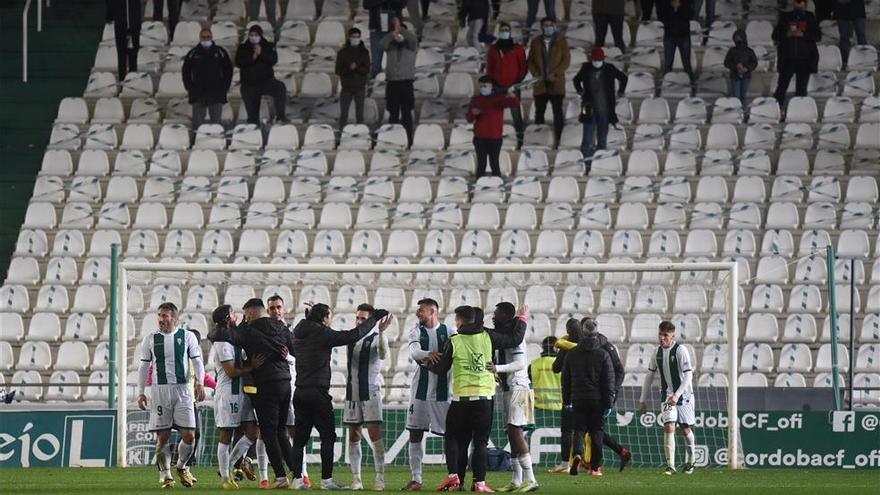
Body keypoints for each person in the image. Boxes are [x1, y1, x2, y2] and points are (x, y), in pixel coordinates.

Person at [423, 305, 528, 493]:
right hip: (484, 398)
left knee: (456, 440)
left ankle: (456, 478)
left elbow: (441, 369)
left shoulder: (454, 340)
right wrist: (522, 318)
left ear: (460, 320)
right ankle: (479, 483)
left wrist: (424, 363)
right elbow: (515, 339)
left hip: (460, 399)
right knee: (480, 442)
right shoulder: (489, 336)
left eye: (456, 319)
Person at [289, 303, 389, 490]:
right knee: (328, 436)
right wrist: (374, 318)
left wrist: (311, 317)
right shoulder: (322, 333)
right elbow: (353, 335)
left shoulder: (299, 330)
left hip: (300, 391)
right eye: (329, 316)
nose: (330, 319)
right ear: (324, 318)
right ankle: (327, 481)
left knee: (300, 438)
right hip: (317, 392)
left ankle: (296, 480)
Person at [216, 298, 297, 488]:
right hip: (285, 382)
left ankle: (280, 477)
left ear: (251, 313)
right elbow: (295, 349)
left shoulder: (247, 331)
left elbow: (218, 334)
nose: (243, 318)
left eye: (245, 314)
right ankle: (296, 473)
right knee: (280, 432)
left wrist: (251, 365)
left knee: (268, 433)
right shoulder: (280, 327)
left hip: (265, 386)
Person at [137, 302, 205, 489]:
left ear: (174, 318)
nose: (161, 319)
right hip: (160, 391)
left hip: (183, 390)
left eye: (165, 316)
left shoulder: (187, 336)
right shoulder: (150, 339)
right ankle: (165, 474)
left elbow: (198, 362)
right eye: (159, 315)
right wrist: (141, 392)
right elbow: (144, 367)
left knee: (189, 435)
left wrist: (199, 382)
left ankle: (181, 467)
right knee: (163, 437)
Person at [400, 298, 453, 491]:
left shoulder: (449, 331)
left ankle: (454, 477)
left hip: (443, 393)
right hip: (419, 393)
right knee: (415, 433)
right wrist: (427, 354)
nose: (417, 313)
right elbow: (414, 352)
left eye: (421, 310)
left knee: (451, 436)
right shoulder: (415, 331)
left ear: (433, 312)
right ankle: (416, 479)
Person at [209, 305, 263, 490]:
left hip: (242, 391)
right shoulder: (222, 341)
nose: (236, 315)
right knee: (226, 434)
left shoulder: (232, 336)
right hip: (228, 393)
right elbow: (231, 371)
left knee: (252, 431)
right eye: (232, 313)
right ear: (226, 318)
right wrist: (253, 366)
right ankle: (225, 477)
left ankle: (230, 466)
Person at [492, 302, 539, 493]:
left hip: (518, 387)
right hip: (508, 388)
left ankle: (531, 479)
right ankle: (516, 480)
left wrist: (498, 368)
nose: (493, 316)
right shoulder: (504, 337)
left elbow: (520, 363)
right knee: (511, 433)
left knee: (515, 431)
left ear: (505, 315)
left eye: (496, 313)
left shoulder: (516, 339)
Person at [638, 321, 697, 475]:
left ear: (673, 336)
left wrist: (677, 395)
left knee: (685, 429)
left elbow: (688, 375)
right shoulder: (656, 352)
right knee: (669, 426)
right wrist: (643, 400)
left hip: (684, 395)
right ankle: (670, 465)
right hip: (667, 395)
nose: (662, 338)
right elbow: (649, 376)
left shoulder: (680, 350)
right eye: (660, 334)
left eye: (665, 335)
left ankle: (691, 460)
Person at [345, 304, 393, 491]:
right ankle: (356, 479)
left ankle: (380, 478)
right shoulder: (350, 337)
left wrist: (381, 333)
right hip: (352, 392)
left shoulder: (376, 338)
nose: (359, 321)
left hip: (371, 392)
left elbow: (382, 354)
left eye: (363, 319)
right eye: (358, 318)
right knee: (353, 435)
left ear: (371, 321)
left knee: (374, 435)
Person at [267, 295, 312, 489]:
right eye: (272, 308)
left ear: (284, 309)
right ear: (268, 311)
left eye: (279, 307)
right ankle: (267, 475)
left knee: (295, 432)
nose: (276, 311)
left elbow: (303, 356)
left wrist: (290, 359)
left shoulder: (292, 331)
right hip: (273, 387)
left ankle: (303, 474)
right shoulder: (265, 331)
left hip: (293, 387)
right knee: (270, 432)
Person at [562, 318, 615, 477]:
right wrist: (609, 403)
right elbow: (608, 380)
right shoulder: (603, 354)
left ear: (582, 332)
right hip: (597, 400)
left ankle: (577, 454)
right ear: (596, 333)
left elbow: (565, 379)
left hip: (578, 398)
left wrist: (567, 400)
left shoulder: (572, 354)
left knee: (579, 430)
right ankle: (595, 467)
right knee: (596, 432)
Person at [573, 47, 628, 160]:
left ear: (603, 59)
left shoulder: (610, 68)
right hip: (588, 108)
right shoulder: (586, 68)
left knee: (602, 140)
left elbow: (624, 78)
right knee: (586, 140)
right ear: (591, 59)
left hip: (606, 109)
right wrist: (580, 91)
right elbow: (576, 80)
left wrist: (621, 91)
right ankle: (586, 163)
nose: (597, 62)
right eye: (595, 59)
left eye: (599, 60)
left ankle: (599, 161)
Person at [527, 17, 571, 145]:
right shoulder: (535, 42)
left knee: (557, 113)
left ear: (554, 26)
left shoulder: (561, 41)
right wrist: (536, 73)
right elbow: (530, 61)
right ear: (542, 27)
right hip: (540, 83)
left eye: (550, 25)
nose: (548, 27)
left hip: (556, 83)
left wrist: (555, 73)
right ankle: (538, 139)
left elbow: (566, 61)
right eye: (545, 25)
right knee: (539, 112)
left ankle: (559, 139)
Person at [466, 76, 520, 178]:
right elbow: (469, 118)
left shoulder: (498, 98)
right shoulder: (475, 99)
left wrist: (512, 95)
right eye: (481, 86)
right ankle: (478, 189)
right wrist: (473, 113)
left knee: (494, 164)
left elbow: (515, 103)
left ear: (491, 86)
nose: (483, 88)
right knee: (481, 165)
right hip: (480, 138)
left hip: (495, 138)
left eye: (485, 86)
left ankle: (497, 188)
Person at [235, 25, 288, 125]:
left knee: (280, 87)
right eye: (251, 35)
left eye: (256, 35)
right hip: (249, 84)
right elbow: (239, 62)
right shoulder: (243, 47)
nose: (253, 37)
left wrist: (261, 54)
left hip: (266, 81)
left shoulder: (268, 45)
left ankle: (280, 115)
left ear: (260, 35)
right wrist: (253, 57)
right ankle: (254, 128)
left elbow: (273, 60)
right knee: (252, 117)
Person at [772, 0, 820, 110]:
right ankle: (776, 110)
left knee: (802, 89)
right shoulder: (785, 17)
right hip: (787, 58)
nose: (799, 4)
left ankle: (798, 111)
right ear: (793, 3)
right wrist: (787, 34)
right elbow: (775, 35)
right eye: (797, 1)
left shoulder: (810, 17)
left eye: (801, 2)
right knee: (782, 87)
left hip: (805, 59)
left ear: (805, 3)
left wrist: (803, 34)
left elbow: (817, 36)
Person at [182, 29, 233, 131]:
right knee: (197, 125)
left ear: (212, 37)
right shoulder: (193, 53)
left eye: (208, 37)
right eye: (204, 37)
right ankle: (196, 143)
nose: (206, 39)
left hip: (216, 93)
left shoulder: (220, 52)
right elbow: (185, 72)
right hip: (198, 94)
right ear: (200, 38)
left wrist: (224, 88)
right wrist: (190, 89)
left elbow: (228, 71)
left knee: (216, 125)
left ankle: (215, 141)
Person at [486, 22, 528, 147]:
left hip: (513, 87)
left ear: (510, 32)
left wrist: (516, 83)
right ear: (499, 32)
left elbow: (523, 67)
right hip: (497, 86)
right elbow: (490, 67)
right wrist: (492, 83)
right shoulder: (493, 49)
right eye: (502, 30)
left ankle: (520, 140)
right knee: (496, 114)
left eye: (506, 30)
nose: (504, 31)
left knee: (516, 115)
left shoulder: (518, 48)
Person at [381, 17, 418, 146]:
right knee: (393, 113)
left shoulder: (411, 46)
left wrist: (400, 29)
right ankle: (393, 139)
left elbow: (413, 39)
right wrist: (393, 33)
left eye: (401, 33)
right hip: (392, 83)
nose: (398, 36)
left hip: (406, 83)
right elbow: (382, 43)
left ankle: (408, 139)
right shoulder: (390, 47)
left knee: (407, 114)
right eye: (397, 33)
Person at [550, 320, 582, 473]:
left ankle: (564, 463)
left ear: (568, 330)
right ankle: (579, 456)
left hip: (569, 392)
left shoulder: (565, 345)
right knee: (581, 429)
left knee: (567, 429)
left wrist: (559, 354)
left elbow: (556, 368)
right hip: (587, 394)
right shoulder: (590, 344)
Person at [530, 337, 562, 471]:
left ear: (543, 348)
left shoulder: (534, 364)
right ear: (557, 348)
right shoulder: (562, 364)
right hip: (559, 407)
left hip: (538, 408)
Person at [336, 28, 372, 130]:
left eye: (357, 37)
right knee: (344, 115)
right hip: (346, 87)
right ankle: (342, 135)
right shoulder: (342, 53)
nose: (355, 39)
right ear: (349, 37)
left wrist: (357, 68)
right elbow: (338, 70)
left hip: (360, 87)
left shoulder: (364, 52)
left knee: (360, 115)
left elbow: (366, 69)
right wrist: (349, 68)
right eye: (353, 37)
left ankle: (360, 134)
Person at [365, 0, 406, 78]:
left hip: (394, 27)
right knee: (376, 59)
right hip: (377, 26)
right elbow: (366, 4)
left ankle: (393, 80)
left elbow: (403, 3)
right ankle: (376, 78)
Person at [661, 0, 696, 86]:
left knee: (687, 63)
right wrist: (673, 8)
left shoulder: (686, 3)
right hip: (669, 35)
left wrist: (679, 6)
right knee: (668, 64)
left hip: (684, 35)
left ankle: (692, 86)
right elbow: (661, 16)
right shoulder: (665, 3)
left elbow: (691, 15)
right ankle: (665, 85)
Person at [723, 29, 758, 112]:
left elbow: (754, 63)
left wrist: (746, 68)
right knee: (736, 95)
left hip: (746, 76)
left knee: (743, 95)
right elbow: (726, 63)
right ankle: (737, 111)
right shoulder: (732, 51)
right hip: (735, 76)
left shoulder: (749, 51)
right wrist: (736, 66)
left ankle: (744, 112)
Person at [110, 0, 141, 80]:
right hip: (121, 25)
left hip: (134, 25)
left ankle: (132, 80)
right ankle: (122, 80)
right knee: (121, 56)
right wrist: (110, 16)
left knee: (133, 56)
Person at [835, 0, 866, 68]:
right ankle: (845, 61)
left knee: (861, 35)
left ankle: (864, 60)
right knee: (844, 37)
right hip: (842, 11)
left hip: (858, 10)